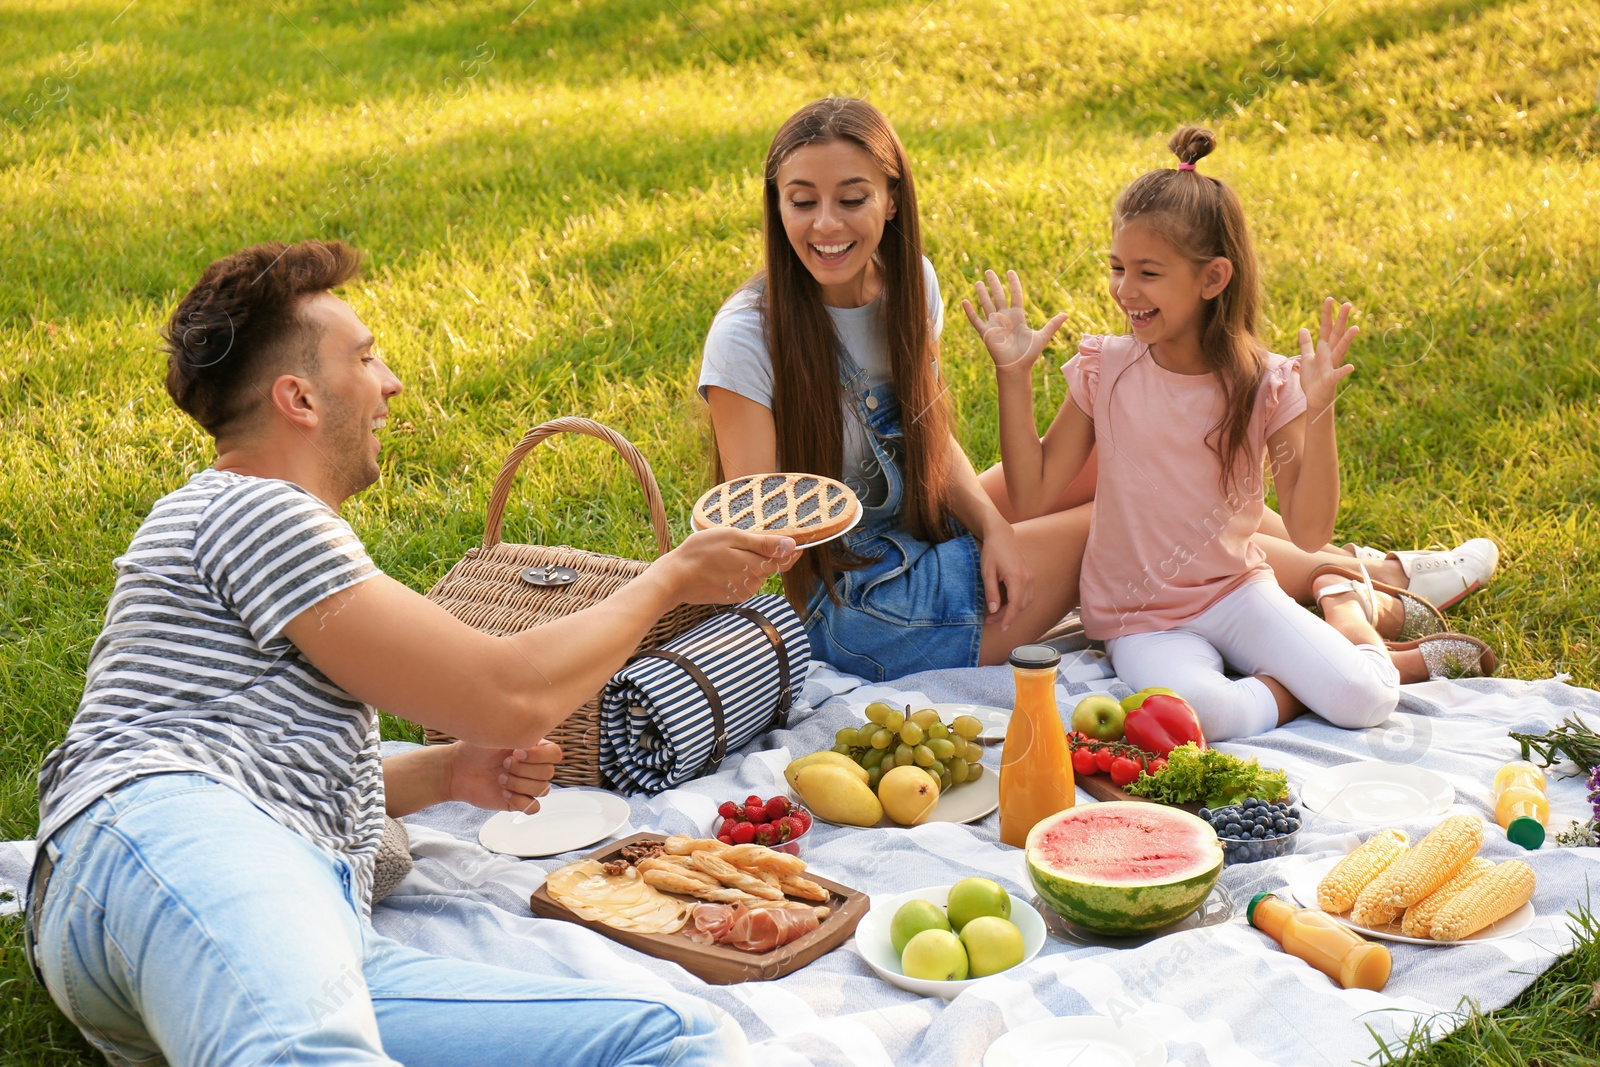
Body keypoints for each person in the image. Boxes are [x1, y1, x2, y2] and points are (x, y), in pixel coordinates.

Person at [27, 240, 794, 1067]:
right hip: (174, 839)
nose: (389, 382)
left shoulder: (264, 538)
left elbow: (273, 756)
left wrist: (447, 775)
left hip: (301, 916)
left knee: (674, 1040)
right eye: (364, 356)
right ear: (299, 398)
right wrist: (669, 577)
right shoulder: (252, 509)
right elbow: (509, 690)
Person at [700, 97, 1495, 684]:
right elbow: (756, 534)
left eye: (851, 198)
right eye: (801, 200)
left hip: (919, 530)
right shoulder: (747, 335)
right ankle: (1372, 595)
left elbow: (928, 438)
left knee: (1127, 456)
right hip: (860, 602)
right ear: (777, 205)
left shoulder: (908, 288)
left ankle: (1344, 568)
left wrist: (992, 526)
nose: (825, 225)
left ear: (893, 198)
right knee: (1130, 511)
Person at [963, 126, 1497, 742]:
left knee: (1366, 699)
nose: (1124, 290)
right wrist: (1013, 378)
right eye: (1117, 267)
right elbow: (1031, 496)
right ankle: (1314, 674)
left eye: (1148, 273)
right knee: (1203, 720)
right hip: (1140, 620)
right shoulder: (1103, 369)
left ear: (1212, 278)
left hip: (1236, 590)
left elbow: (1309, 530)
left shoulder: (1267, 384)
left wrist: (1319, 411)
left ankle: (1344, 601)